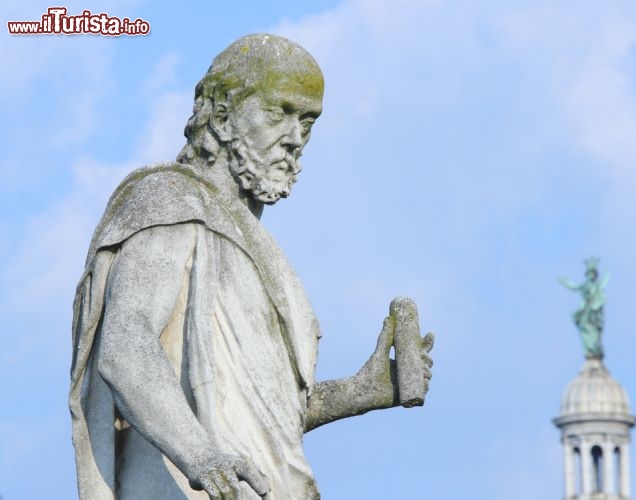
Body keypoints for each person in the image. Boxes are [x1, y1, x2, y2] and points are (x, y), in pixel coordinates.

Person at [69, 34, 434, 500]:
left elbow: (258, 421)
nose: (295, 138)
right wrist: (200, 454)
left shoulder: (260, 248)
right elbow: (125, 344)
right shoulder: (169, 200)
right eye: (279, 112)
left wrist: (359, 391)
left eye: (308, 121)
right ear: (221, 115)